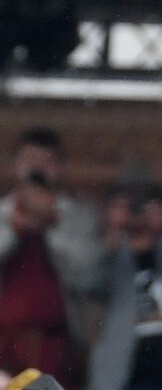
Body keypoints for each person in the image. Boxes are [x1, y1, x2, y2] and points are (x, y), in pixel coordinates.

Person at [0, 128, 101, 385]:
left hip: (58, 345)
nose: (37, 168)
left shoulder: (79, 216)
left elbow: (87, 274)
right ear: (15, 165)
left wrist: (51, 224)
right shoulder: (2, 213)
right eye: (29, 160)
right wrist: (13, 228)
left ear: (59, 168)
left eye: (46, 161)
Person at [88, 183, 162, 390]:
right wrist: (114, 234)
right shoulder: (114, 254)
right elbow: (87, 282)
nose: (140, 218)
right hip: (124, 370)